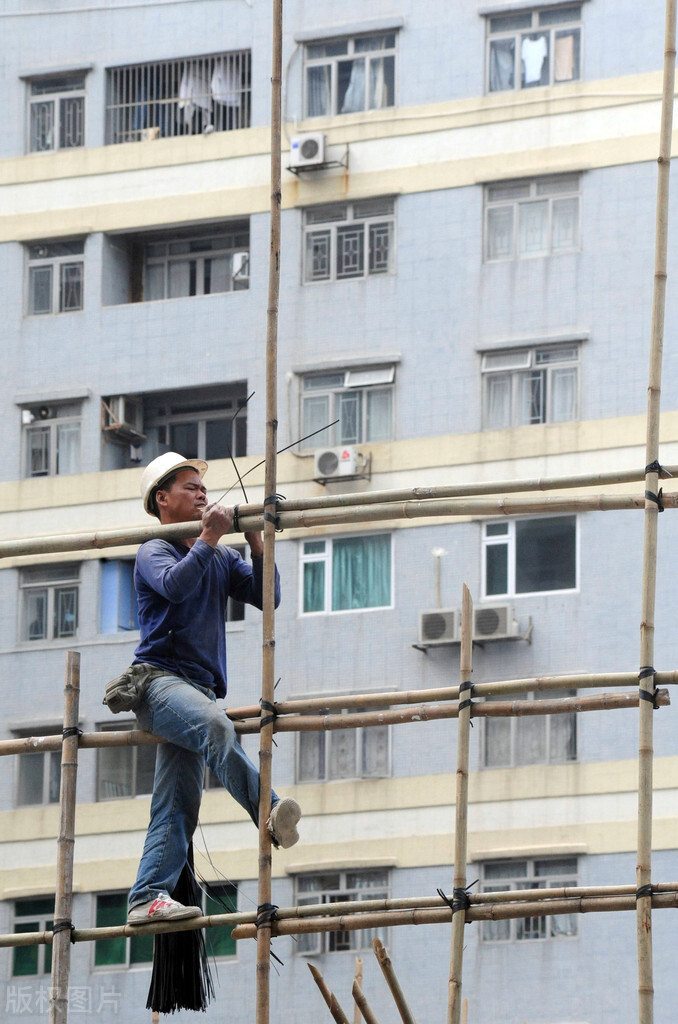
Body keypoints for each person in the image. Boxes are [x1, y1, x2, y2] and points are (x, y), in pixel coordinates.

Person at [126, 452, 301, 926]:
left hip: (199, 689)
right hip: (159, 685)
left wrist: (256, 543)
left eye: (203, 488)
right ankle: (268, 809)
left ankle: (146, 896)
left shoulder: (221, 555)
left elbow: (270, 599)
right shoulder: (154, 550)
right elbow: (176, 587)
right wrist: (210, 536)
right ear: (163, 500)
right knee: (217, 729)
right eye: (190, 487)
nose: (202, 494)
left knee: (179, 803)